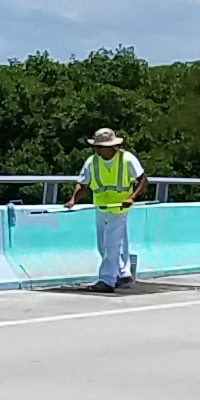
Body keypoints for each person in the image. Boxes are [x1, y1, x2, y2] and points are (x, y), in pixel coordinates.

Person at [81, 125, 147, 292]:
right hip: (101, 207)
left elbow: (143, 179)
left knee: (111, 244)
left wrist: (131, 197)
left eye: (99, 147)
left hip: (119, 209)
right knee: (105, 245)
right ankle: (123, 274)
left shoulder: (127, 159)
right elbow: (82, 183)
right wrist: (73, 199)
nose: (96, 150)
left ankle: (107, 280)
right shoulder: (92, 161)